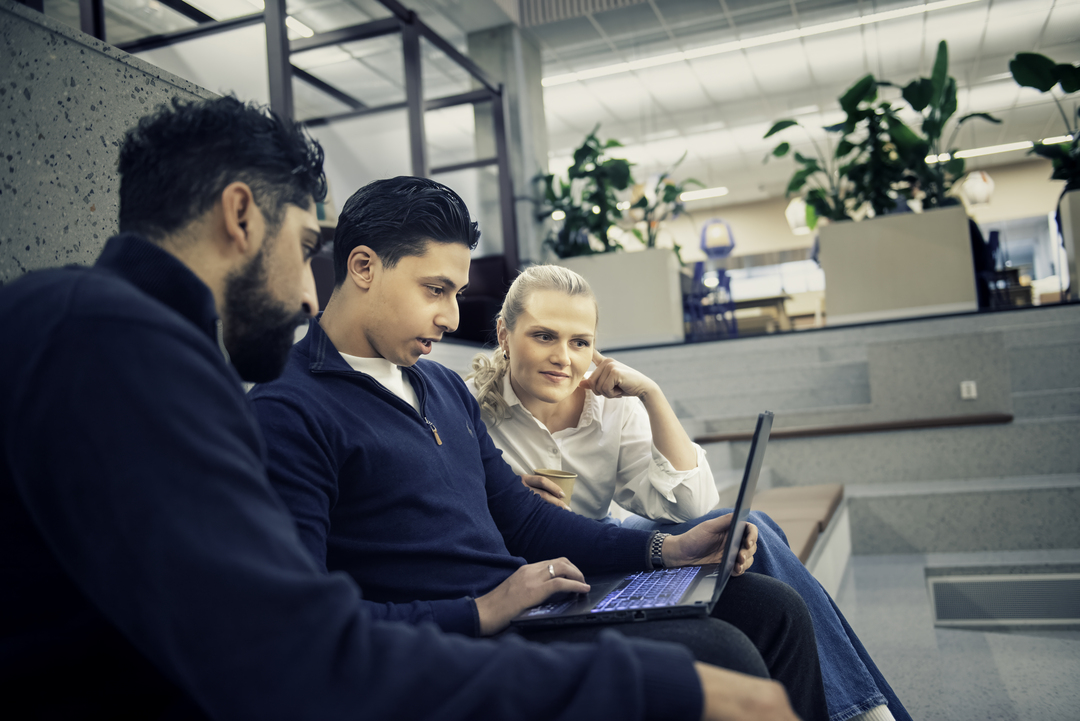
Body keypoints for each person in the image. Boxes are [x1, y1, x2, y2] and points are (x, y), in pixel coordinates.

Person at [0, 96, 791, 721]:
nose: (309, 290)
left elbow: (264, 629)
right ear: (241, 216)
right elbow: (297, 652)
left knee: (762, 604)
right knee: (719, 653)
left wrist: (660, 549)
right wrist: (642, 681)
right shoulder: (123, 347)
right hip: (407, 652)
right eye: (306, 245)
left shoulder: (80, 326)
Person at [249, 175, 830, 721]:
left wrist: (668, 550)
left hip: (533, 604)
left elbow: (525, 521)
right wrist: (479, 611)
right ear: (363, 267)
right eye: (435, 290)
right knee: (719, 650)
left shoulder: (440, 386)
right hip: (466, 638)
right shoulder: (291, 410)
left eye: (456, 293)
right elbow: (298, 622)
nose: (451, 317)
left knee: (772, 611)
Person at [465, 264, 911, 721]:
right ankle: (867, 713)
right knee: (755, 543)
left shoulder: (610, 406)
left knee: (748, 526)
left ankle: (863, 713)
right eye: (544, 336)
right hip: (543, 569)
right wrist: (504, 493)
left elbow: (691, 506)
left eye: (580, 342)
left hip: (609, 538)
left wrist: (652, 396)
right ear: (504, 333)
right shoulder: (468, 408)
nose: (564, 356)